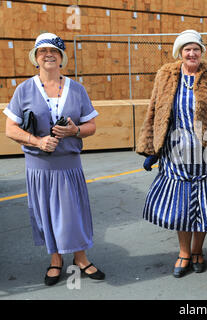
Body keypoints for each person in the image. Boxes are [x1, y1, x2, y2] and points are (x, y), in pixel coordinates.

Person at [136, 30, 207, 278]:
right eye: (187, 49)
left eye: (195, 48)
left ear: (201, 51)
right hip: (175, 151)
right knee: (181, 206)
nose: (192, 53)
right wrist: (152, 148)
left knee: (203, 205)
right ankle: (184, 252)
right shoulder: (166, 74)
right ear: (180, 53)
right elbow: (155, 109)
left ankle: (197, 250)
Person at [3, 33, 105, 286]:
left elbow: (90, 126)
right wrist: (37, 141)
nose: (48, 55)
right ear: (36, 58)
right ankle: (55, 259)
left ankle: (80, 258)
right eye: (42, 51)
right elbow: (10, 129)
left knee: (73, 213)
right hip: (39, 166)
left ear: (61, 58)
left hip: (68, 164)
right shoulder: (24, 89)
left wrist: (74, 131)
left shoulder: (77, 89)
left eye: (54, 51)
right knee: (45, 214)